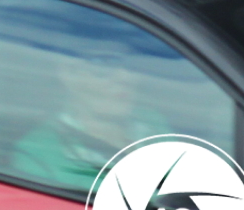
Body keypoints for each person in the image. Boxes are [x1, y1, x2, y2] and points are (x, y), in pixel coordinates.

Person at [9, 54, 173, 194]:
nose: (126, 77)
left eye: (131, 64)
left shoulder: (151, 121)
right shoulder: (37, 153)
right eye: (104, 66)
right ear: (68, 73)